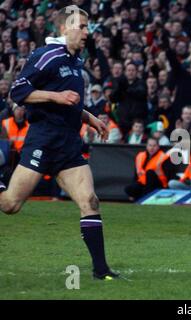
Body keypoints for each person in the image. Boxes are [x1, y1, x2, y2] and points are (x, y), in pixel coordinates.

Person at [4, 6, 118, 280]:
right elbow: (18, 91)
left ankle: (101, 271)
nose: (86, 32)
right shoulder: (47, 55)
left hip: (68, 144)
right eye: (81, 26)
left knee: (90, 201)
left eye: (88, 27)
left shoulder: (76, 60)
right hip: (43, 139)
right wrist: (56, 97)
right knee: (10, 205)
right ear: (64, 28)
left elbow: (69, 102)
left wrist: (90, 118)